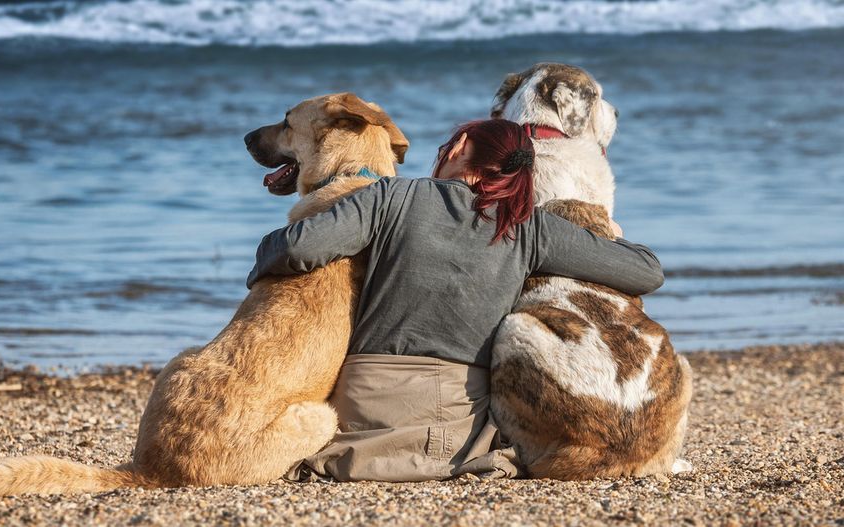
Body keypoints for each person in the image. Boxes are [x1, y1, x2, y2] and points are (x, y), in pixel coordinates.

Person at [246, 119, 664, 482]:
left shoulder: (392, 196)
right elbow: (646, 271)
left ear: (461, 148)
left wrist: (259, 265)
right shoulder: (530, 228)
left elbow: (298, 249)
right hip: (454, 431)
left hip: (362, 411)